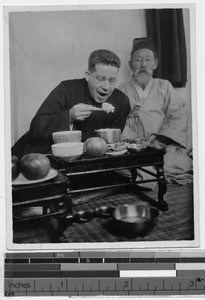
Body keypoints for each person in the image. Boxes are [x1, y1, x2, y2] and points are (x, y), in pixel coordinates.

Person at [12, 49, 130, 158]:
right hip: (34, 156)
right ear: (88, 76)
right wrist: (69, 116)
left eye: (112, 80)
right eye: (100, 79)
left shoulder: (121, 101)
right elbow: (37, 128)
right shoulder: (66, 89)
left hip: (84, 163)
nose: (106, 87)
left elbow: (112, 144)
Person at [118, 40, 193, 186]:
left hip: (163, 146)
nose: (143, 65)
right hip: (135, 147)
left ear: (155, 63)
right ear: (130, 64)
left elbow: (179, 113)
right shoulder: (122, 90)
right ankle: (147, 171)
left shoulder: (164, 86)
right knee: (128, 164)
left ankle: (148, 172)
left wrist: (161, 141)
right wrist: (135, 142)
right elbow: (117, 120)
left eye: (148, 60)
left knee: (178, 163)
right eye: (138, 60)